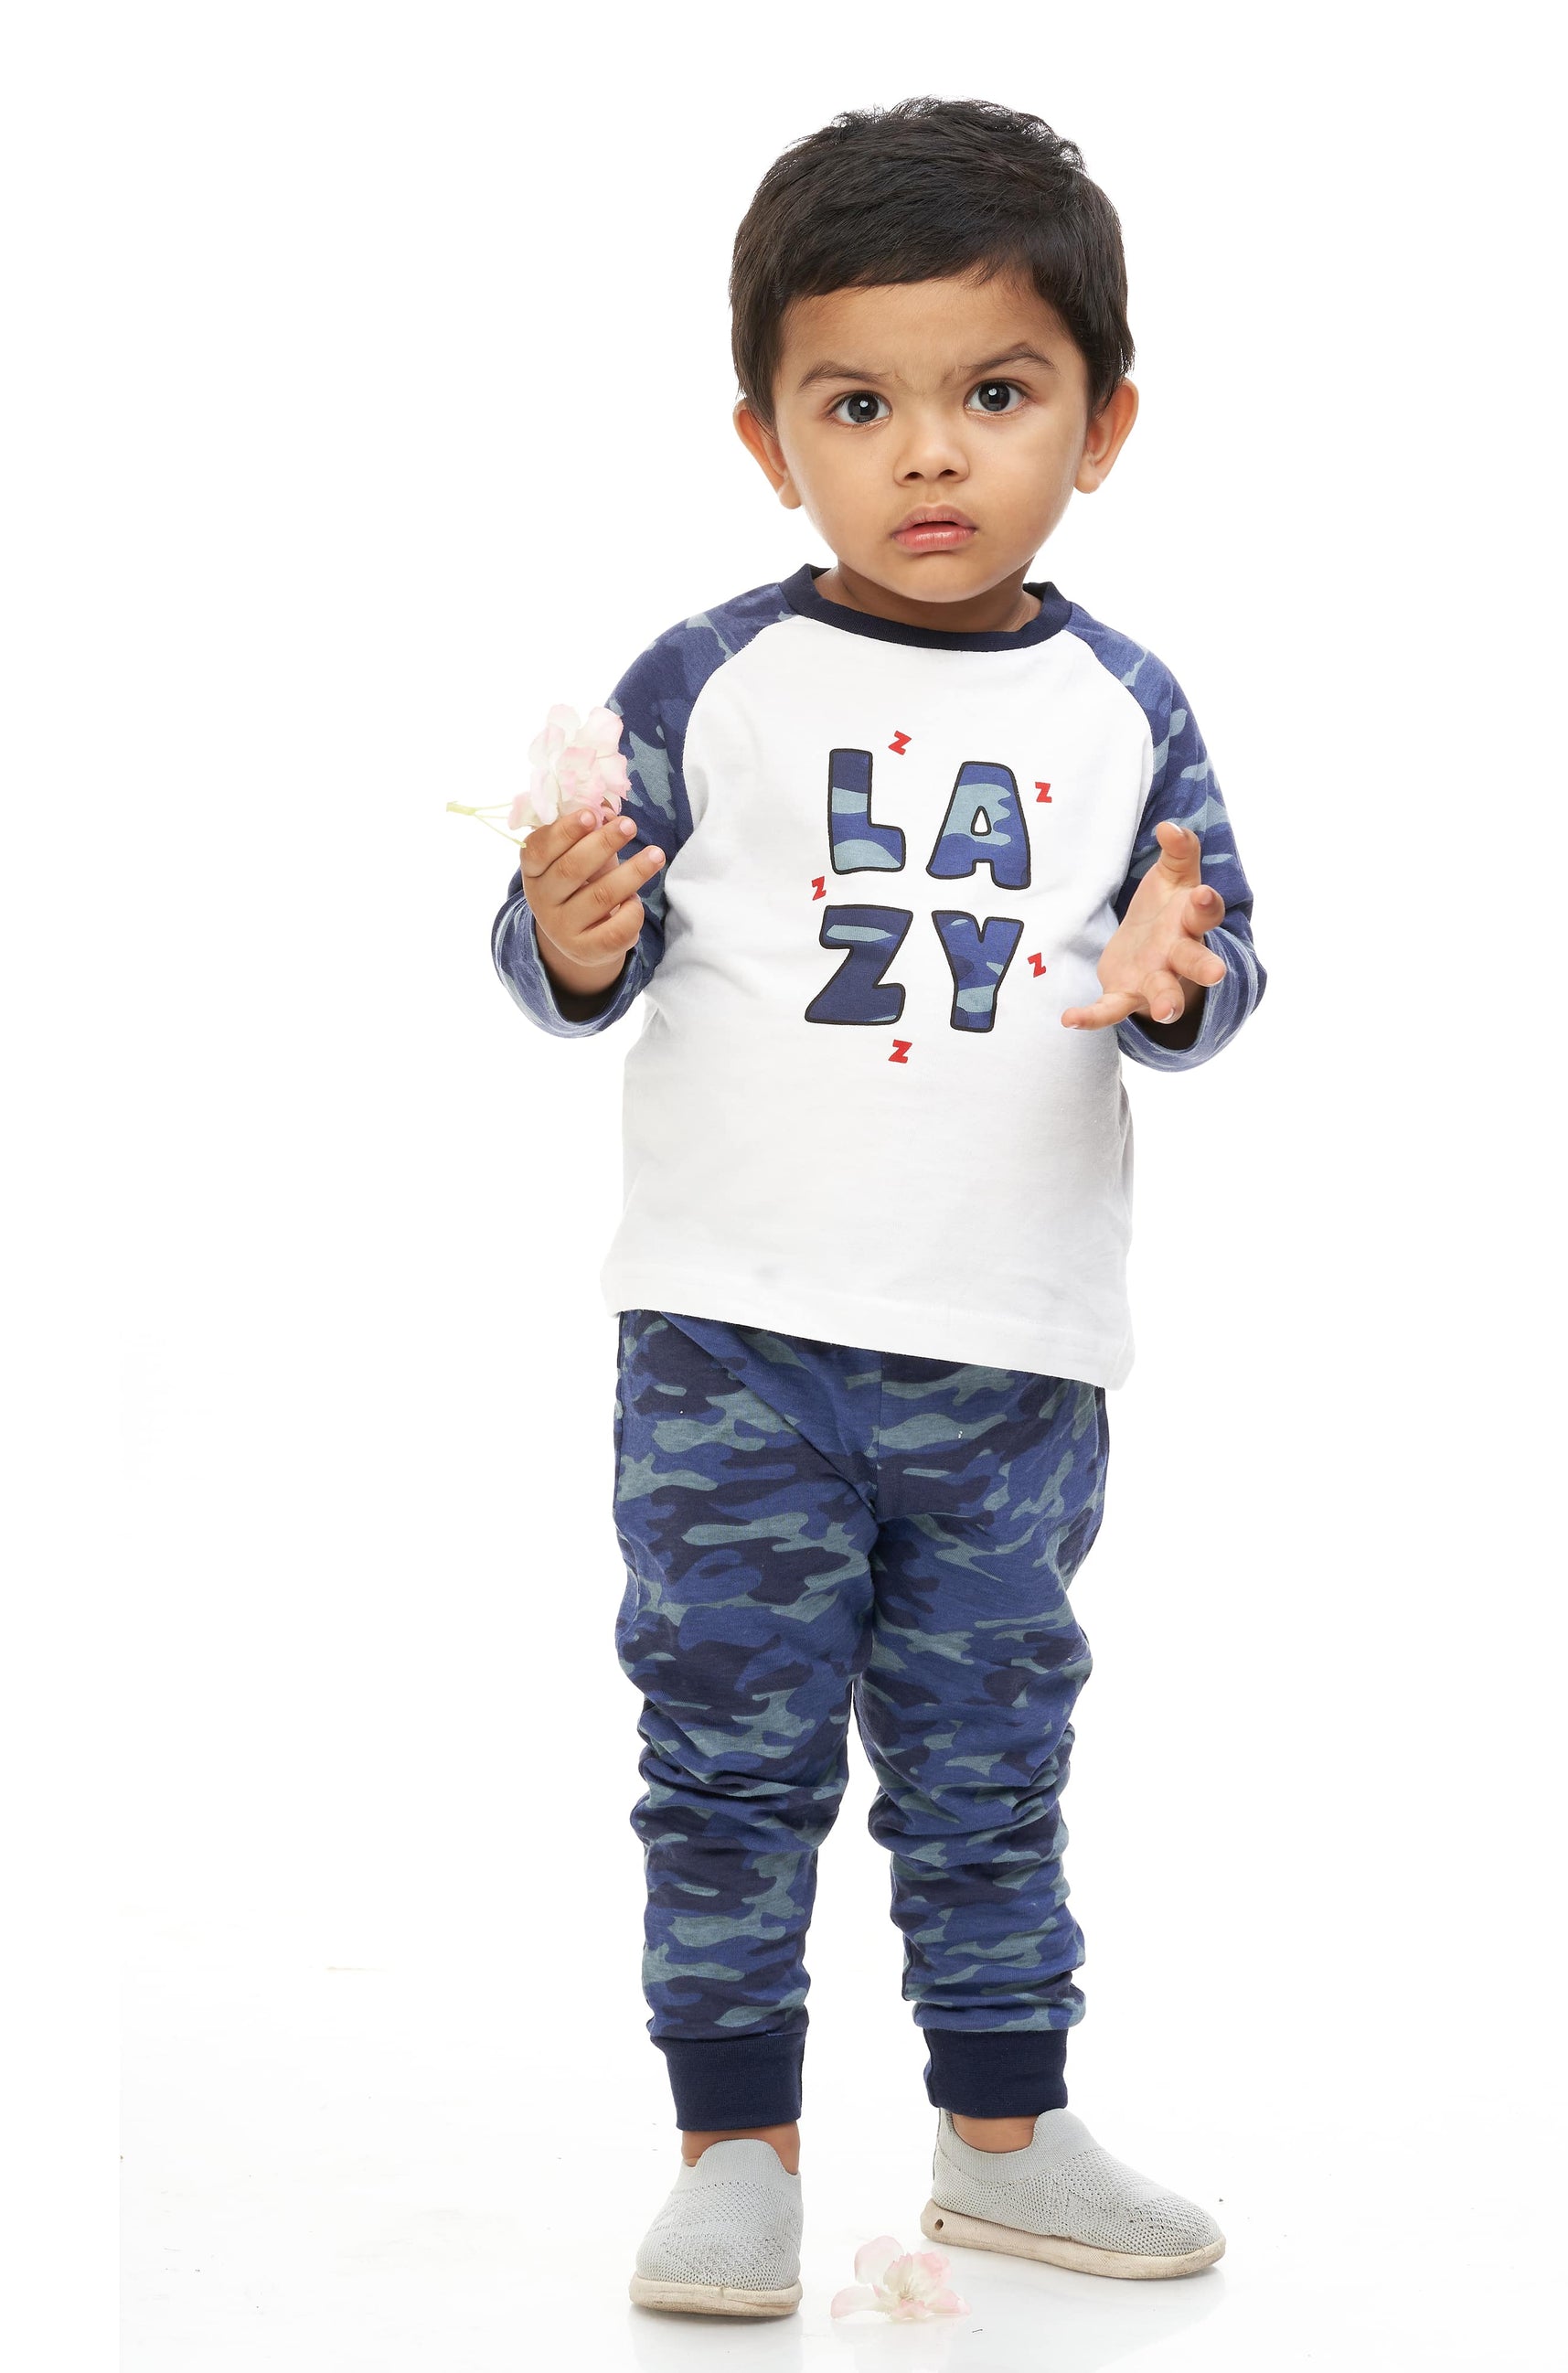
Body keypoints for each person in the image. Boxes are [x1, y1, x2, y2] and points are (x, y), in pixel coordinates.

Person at [490, 94, 1267, 2320]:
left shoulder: (1121, 707)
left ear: (1103, 425)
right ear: (768, 442)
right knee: (724, 1756)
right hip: (730, 1344)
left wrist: (1178, 975)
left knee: (989, 1756)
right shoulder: (706, 679)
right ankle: (733, 2147)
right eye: (858, 406)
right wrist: (563, 930)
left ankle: (1003, 2137)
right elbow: (571, 952)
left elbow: (1215, 954)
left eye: (995, 394)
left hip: (1009, 1355)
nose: (929, 454)